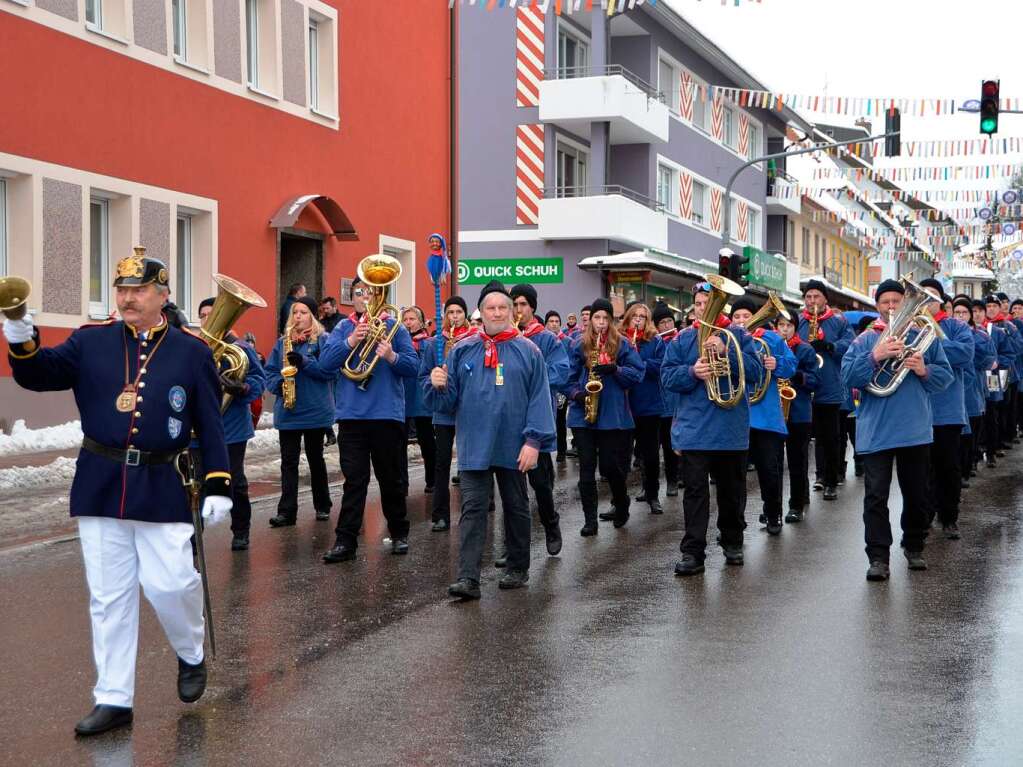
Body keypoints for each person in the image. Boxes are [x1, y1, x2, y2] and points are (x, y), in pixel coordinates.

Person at [3, 250, 232, 735]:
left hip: (162, 484)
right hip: (101, 482)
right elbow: (36, 373)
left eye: (139, 291)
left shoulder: (191, 352)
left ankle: (190, 652)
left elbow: (209, 423)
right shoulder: (91, 342)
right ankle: (113, 697)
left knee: (172, 584)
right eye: (122, 290)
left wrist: (218, 481)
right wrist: (20, 332)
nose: (127, 298)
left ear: (163, 297)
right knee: (109, 598)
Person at [426, 281, 556, 599]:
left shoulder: (530, 351)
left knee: (516, 506)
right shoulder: (462, 349)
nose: (496, 312)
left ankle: (517, 567)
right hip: (475, 444)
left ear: (512, 313)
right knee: (472, 509)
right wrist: (438, 384)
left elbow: (540, 397)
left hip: (515, 445)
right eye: (490, 308)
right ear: (481, 313)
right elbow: (445, 404)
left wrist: (534, 442)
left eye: (502, 308)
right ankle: (468, 577)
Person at [841, 280, 953, 582]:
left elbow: (945, 378)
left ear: (905, 304)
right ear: (877, 306)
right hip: (876, 431)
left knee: (916, 495)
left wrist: (923, 369)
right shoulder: (865, 339)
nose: (891, 307)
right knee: (875, 497)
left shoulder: (923, 337)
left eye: (896, 301)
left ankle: (914, 546)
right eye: (885, 302)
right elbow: (848, 377)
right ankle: (878, 557)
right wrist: (875, 356)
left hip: (914, 429)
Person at [663, 281, 763, 575]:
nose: (704, 307)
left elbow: (756, 373)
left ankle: (733, 542)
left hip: (730, 430)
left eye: (710, 302)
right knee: (695, 494)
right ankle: (693, 553)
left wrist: (727, 351)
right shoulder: (681, 341)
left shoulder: (739, 336)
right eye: (699, 303)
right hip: (695, 431)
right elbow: (667, 378)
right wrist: (691, 371)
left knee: (732, 493)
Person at [318, 271, 417, 563]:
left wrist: (391, 356)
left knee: (391, 479)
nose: (365, 298)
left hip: (386, 415)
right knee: (354, 480)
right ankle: (345, 541)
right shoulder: (341, 329)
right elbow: (325, 364)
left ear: (380, 296)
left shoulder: (394, 327)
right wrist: (350, 341)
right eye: (360, 293)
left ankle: (399, 533)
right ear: (353, 298)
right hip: (352, 416)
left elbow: (413, 366)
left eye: (371, 293)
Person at [566, 298, 644, 535]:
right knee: (586, 470)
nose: (600, 323)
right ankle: (590, 520)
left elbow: (638, 373)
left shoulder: (622, 344)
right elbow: (565, 378)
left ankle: (621, 502)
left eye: (605, 318)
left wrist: (616, 369)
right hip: (584, 414)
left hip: (611, 414)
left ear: (611, 321)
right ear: (590, 320)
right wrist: (576, 394)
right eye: (596, 318)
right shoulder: (578, 344)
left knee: (610, 467)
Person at [194, 296, 265, 550]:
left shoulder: (241, 348)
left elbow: (259, 379)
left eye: (212, 314)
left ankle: (241, 531)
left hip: (232, 427)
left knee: (234, 480)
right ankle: (193, 539)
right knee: (196, 482)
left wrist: (243, 387)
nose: (208, 319)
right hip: (198, 428)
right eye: (203, 315)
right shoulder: (193, 346)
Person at [265, 296, 337, 527]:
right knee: (288, 462)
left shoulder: (324, 340)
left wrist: (304, 362)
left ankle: (323, 505)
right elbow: (270, 371)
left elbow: (329, 372)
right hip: (289, 409)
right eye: (295, 312)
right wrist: (280, 384)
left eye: (304, 312)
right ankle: (287, 512)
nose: (298, 316)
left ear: (313, 316)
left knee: (316, 459)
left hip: (315, 409)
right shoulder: (282, 342)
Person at [729, 297, 797, 536]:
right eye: (736, 317)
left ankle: (773, 514)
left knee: (770, 470)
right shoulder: (727, 338)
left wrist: (775, 362)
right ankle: (735, 523)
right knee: (735, 476)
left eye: (745, 316)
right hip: (737, 414)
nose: (740, 320)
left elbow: (791, 366)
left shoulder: (772, 339)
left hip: (766, 416)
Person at [511, 284, 570, 555]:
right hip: (509, 420)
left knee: (541, 485)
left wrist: (531, 373)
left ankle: (551, 524)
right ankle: (514, 543)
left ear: (532, 307)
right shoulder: (504, 337)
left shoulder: (546, 338)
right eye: (514, 304)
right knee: (512, 491)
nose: (517, 310)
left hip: (536, 419)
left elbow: (561, 371)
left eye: (522, 304)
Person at [918, 279, 974, 540]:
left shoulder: (957, 326)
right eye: (922, 295)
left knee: (948, 467)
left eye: (932, 296)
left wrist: (931, 342)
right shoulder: (909, 325)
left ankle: (949, 517)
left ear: (940, 300)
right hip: (918, 410)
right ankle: (924, 517)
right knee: (922, 470)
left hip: (948, 409)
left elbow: (964, 354)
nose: (927, 300)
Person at [419, 296, 475, 531]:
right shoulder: (434, 344)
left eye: (458, 312)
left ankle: (477, 508)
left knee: (473, 461)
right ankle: (440, 515)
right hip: (443, 411)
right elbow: (422, 376)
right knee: (441, 463)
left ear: (465, 315)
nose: (454, 317)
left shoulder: (474, 341)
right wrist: (434, 381)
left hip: (468, 410)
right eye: (450, 312)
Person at [798, 280, 854, 501]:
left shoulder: (838, 321)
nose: (812, 301)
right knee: (811, 438)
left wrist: (830, 346)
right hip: (803, 387)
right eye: (808, 297)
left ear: (825, 299)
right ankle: (819, 476)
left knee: (830, 436)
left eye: (816, 297)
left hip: (829, 385)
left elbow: (850, 345)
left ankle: (831, 480)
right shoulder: (800, 321)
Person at [620, 302, 667, 514]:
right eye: (635, 316)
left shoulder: (655, 341)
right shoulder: (619, 340)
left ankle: (652, 494)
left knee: (650, 454)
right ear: (628, 318)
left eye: (643, 316)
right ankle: (618, 501)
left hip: (649, 404)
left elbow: (662, 366)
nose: (638, 319)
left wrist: (638, 364)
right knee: (622, 455)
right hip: (624, 405)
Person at [776, 314, 820, 523]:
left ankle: (796, 504)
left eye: (789, 325)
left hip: (799, 412)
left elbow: (815, 381)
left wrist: (798, 375)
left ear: (796, 327)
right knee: (773, 463)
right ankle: (773, 509)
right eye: (781, 325)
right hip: (775, 413)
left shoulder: (804, 349)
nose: (785, 329)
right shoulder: (770, 348)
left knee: (797, 461)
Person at [954, 296, 995, 489]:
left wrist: (969, 347)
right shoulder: (947, 333)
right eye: (957, 312)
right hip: (952, 392)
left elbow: (989, 360)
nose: (960, 316)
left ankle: (968, 465)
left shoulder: (981, 335)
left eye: (964, 312)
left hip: (973, 391)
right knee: (956, 436)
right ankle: (958, 472)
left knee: (971, 433)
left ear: (970, 315)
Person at [401, 306, 436, 494]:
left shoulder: (429, 343)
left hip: (422, 397)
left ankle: (432, 480)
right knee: (399, 444)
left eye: (412, 319)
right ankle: (402, 483)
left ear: (421, 322)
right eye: (405, 319)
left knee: (427, 441)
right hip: (403, 397)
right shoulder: (398, 342)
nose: (408, 323)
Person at [982, 294, 1016, 466]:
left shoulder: (1004, 327)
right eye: (988, 306)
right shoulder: (978, 328)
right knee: (979, 415)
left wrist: (997, 363)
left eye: (994, 306)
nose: (991, 309)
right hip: (979, 377)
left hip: (995, 376)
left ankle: (993, 449)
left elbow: (1010, 353)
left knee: (994, 411)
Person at [653, 301, 680, 497]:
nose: (667, 326)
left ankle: (673, 480)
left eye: (669, 321)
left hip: (673, 403)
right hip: (654, 404)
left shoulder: (679, 341)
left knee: (672, 445)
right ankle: (650, 486)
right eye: (662, 323)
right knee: (652, 448)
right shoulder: (653, 341)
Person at [545, 310, 570, 462]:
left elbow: (567, 364)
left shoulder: (566, 341)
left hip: (561, 387)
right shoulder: (545, 340)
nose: (554, 324)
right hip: (548, 385)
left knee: (560, 419)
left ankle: (562, 450)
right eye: (551, 321)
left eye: (556, 321)